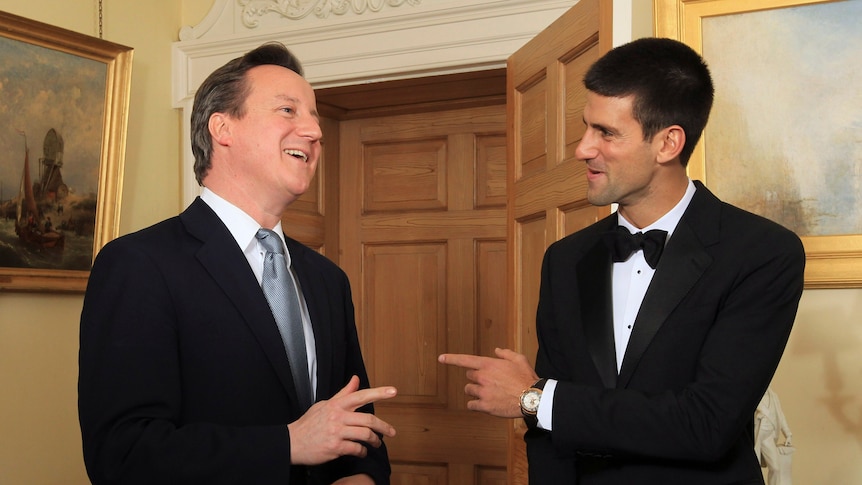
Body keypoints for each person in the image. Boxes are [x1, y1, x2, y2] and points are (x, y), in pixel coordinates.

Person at [439, 37, 805, 484]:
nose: (582, 149)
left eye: (606, 133)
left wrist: (537, 398)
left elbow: (707, 424)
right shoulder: (565, 259)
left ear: (668, 143)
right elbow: (547, 438)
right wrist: (542, 404)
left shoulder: (763, 252)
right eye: (586, 127)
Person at [79, 42, 396, 485]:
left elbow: (355, 429)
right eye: (288, 111)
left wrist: (362, 477)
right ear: (222, 129)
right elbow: (122, 455)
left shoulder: (328, 281)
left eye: (315, 118)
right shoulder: (138, 265)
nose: (314, 132)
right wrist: (287, 444)